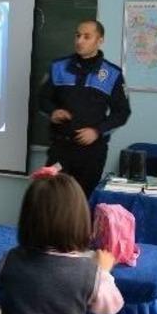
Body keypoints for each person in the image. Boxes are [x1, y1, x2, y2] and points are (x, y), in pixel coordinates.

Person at [0, 172, 124, 314]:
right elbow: (112, 306)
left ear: (27, 219)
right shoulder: (89, 273)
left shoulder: (10, 258)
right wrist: (104, 271)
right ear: (79, 220)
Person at [38, 19, 131, 197]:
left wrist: (97, 131)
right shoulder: (58, 67)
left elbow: (122, 112)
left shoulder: (112, 74)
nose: (80, 41)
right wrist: (53, 111)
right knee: (51, 198)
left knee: (82, 202)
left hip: (92, 153)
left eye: (87, 37)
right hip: (60, 148)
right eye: (78, 35)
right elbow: (43, 99)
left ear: (100, 40)